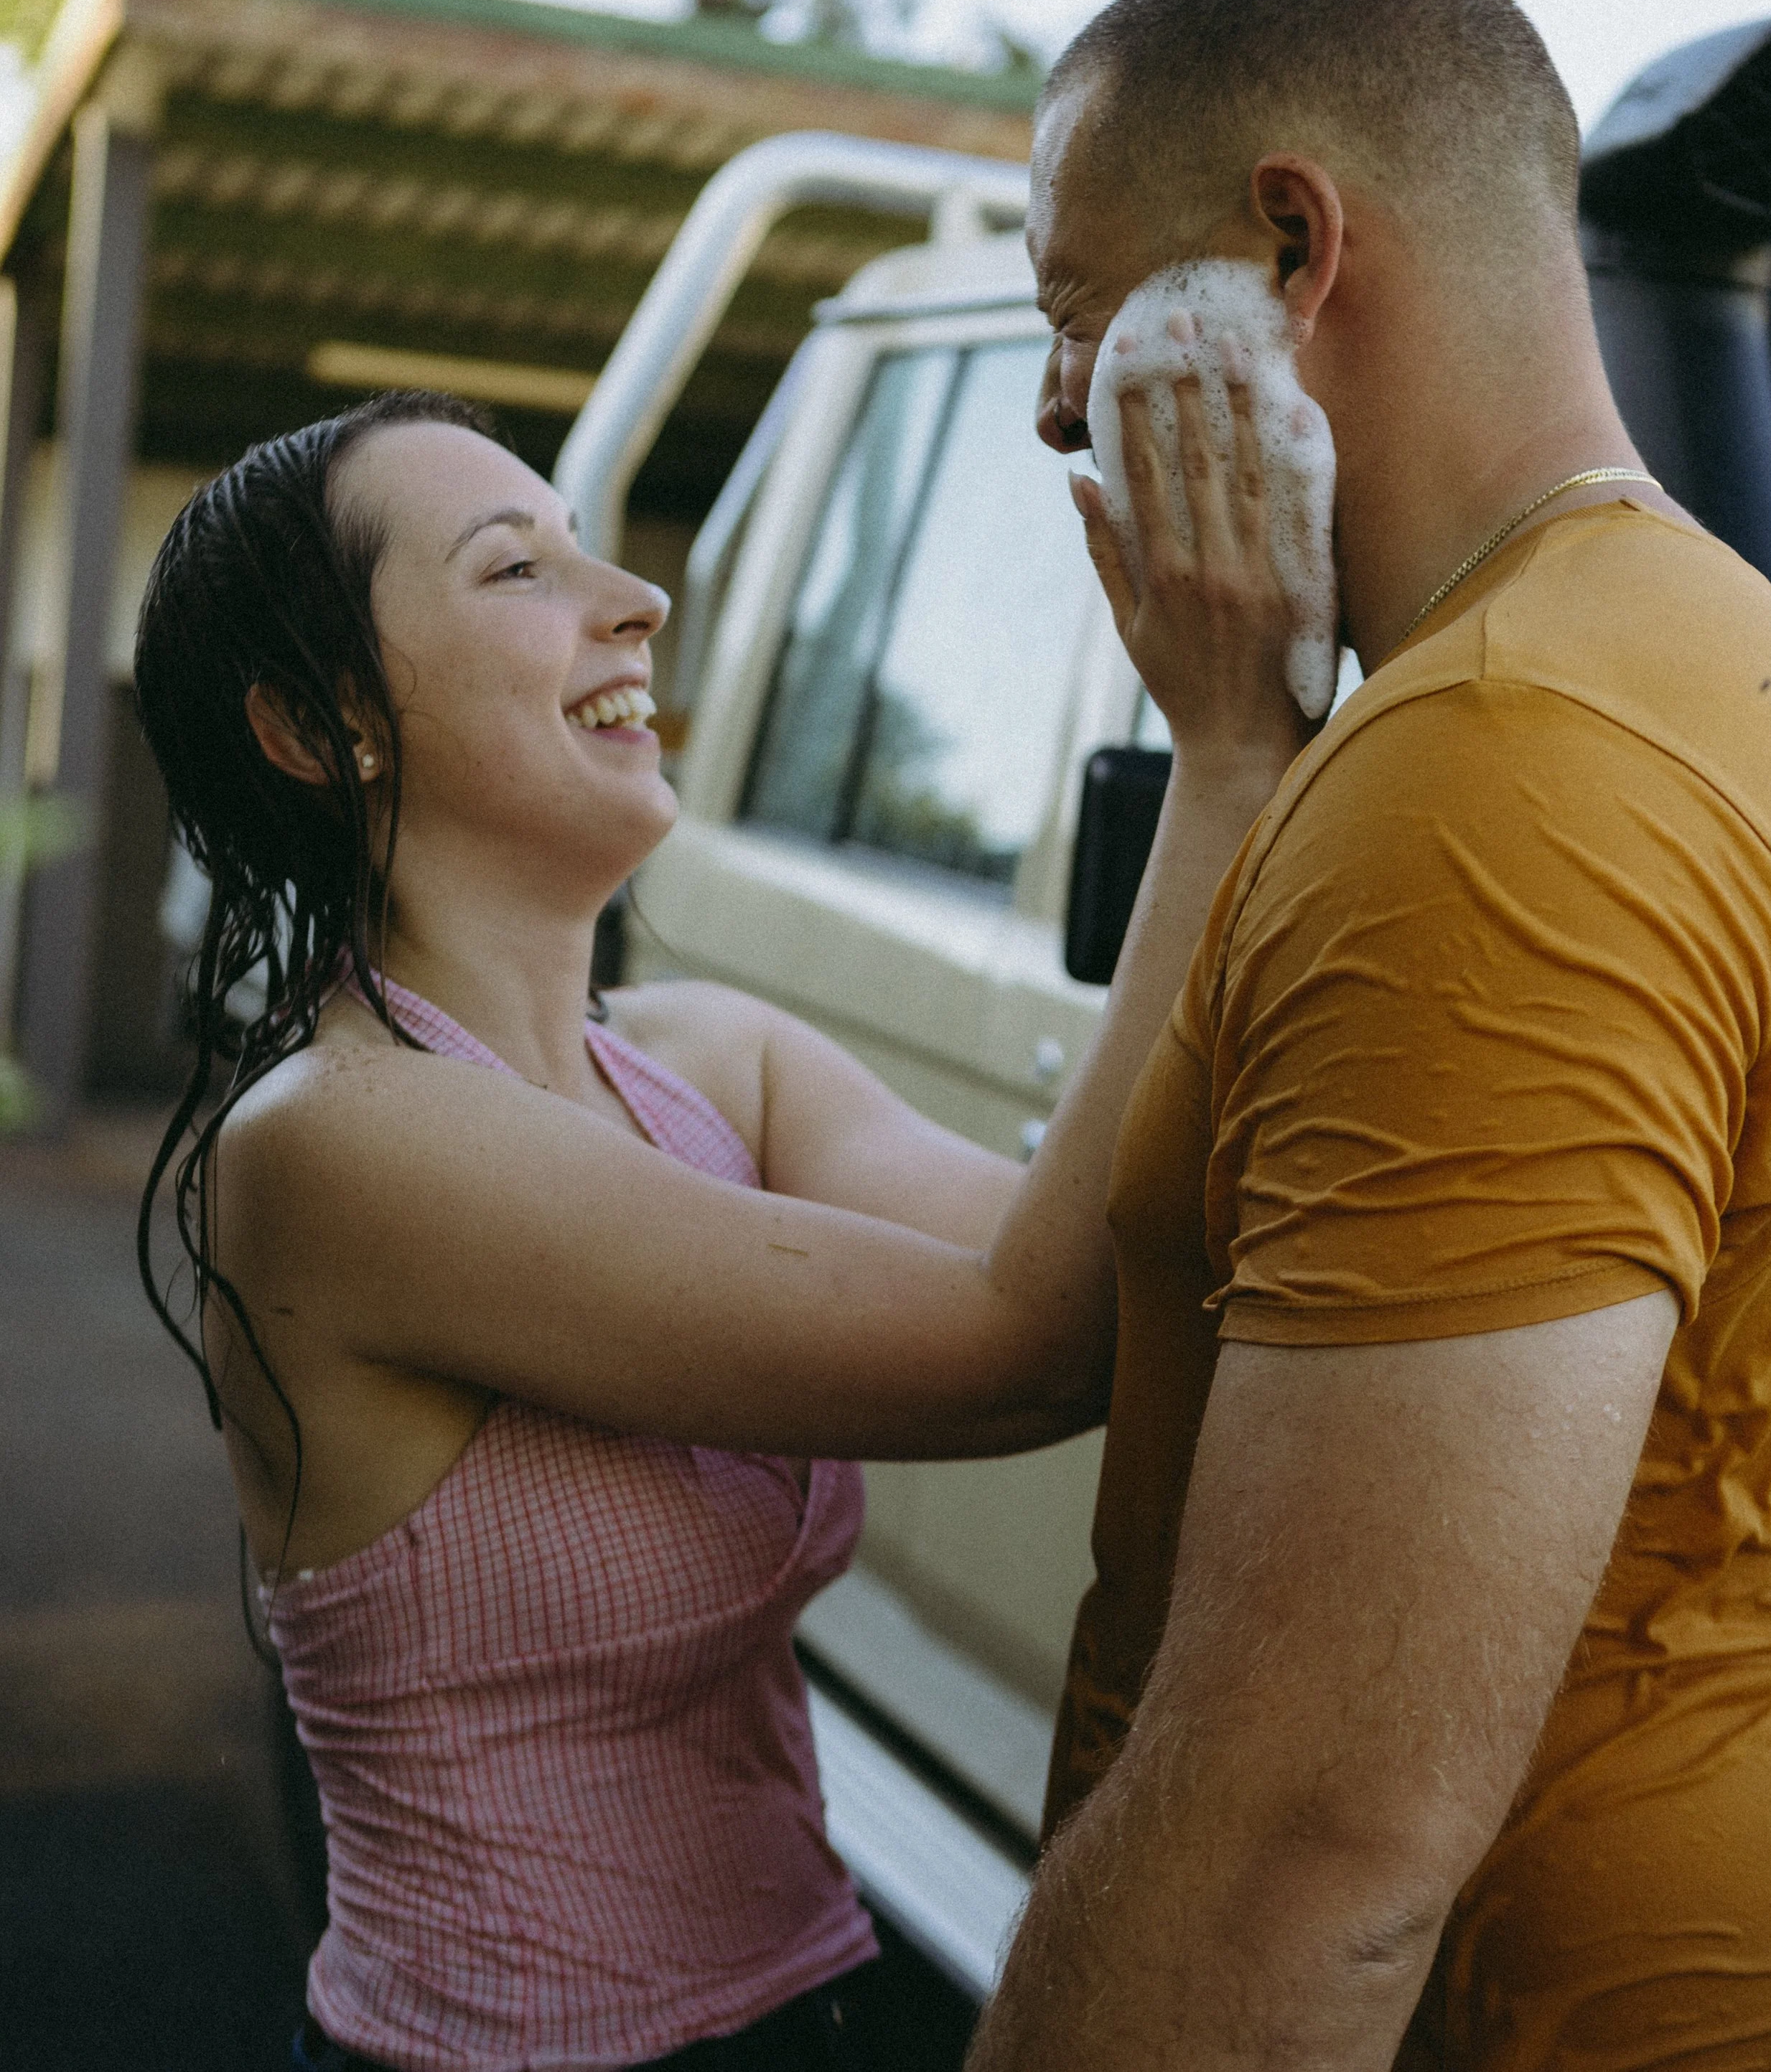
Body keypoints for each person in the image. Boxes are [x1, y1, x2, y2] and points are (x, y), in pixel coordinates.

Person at [131, 375, 1305, 2072]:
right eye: (512, 568)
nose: (637, 600)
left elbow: (1112, 1253)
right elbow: (1032, 1340)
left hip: (805, 1997)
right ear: (324, 730)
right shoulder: (333, 1147)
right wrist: (1227, 759)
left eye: (585, 546)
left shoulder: (709, 1061)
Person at [969, 0, 1771, 2071]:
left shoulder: (1499, 761)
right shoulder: (1698, 649)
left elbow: (1304, 1844)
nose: (1054, 397)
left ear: (1284, 250)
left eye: (1071, 306)